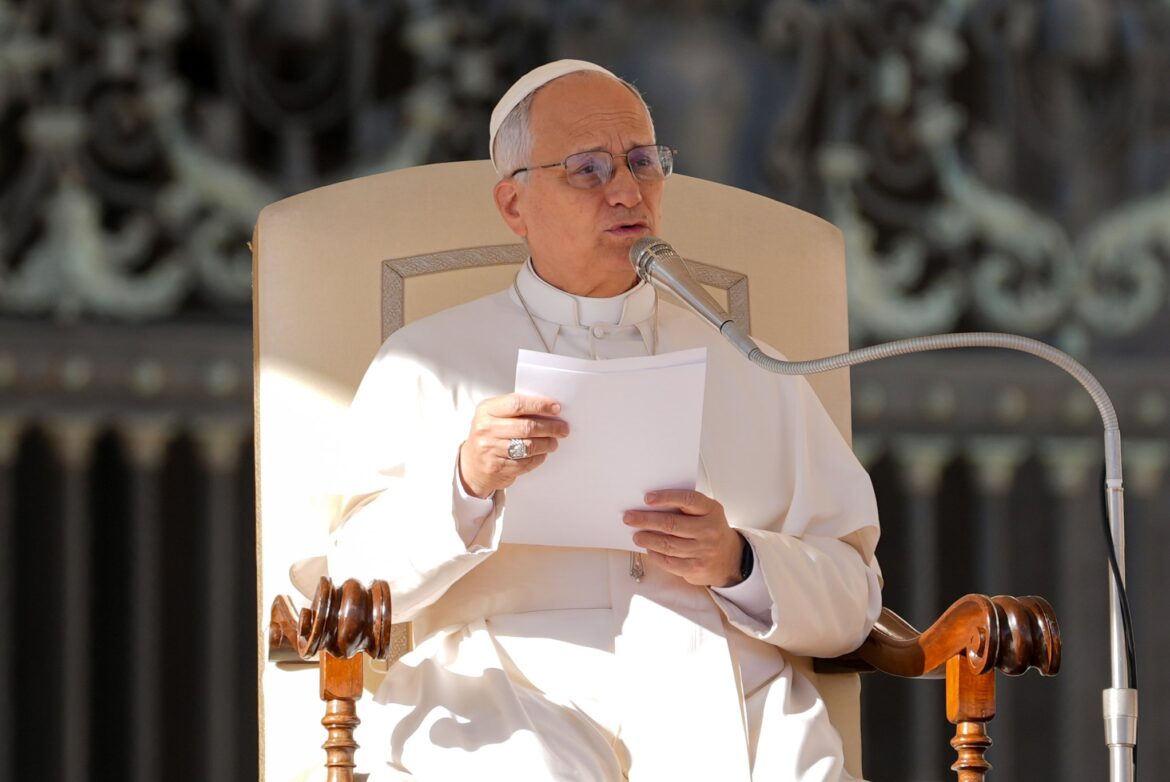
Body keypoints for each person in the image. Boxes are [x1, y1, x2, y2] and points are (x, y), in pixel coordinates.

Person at [328, 59, 882, 782]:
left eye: (643, 162)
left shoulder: (753, 367)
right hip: (506, 693)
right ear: (514, 206)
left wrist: (739, 561)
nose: (627, 190)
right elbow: (344, 592)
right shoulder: (427, 361)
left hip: (722, 691)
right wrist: (465, 484)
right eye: (587, 169)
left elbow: (853, 599)